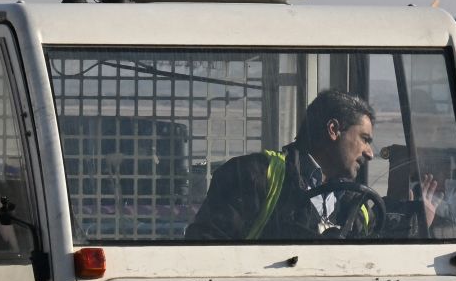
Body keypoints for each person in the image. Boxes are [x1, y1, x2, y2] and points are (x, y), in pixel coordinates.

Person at [186, 91, 436, 241]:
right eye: (365, 139)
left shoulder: (352, 203)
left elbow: (378, 233)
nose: (370, 153)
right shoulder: (254, 176)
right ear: (334, 130)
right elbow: (206, 248)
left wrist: (419, 218)